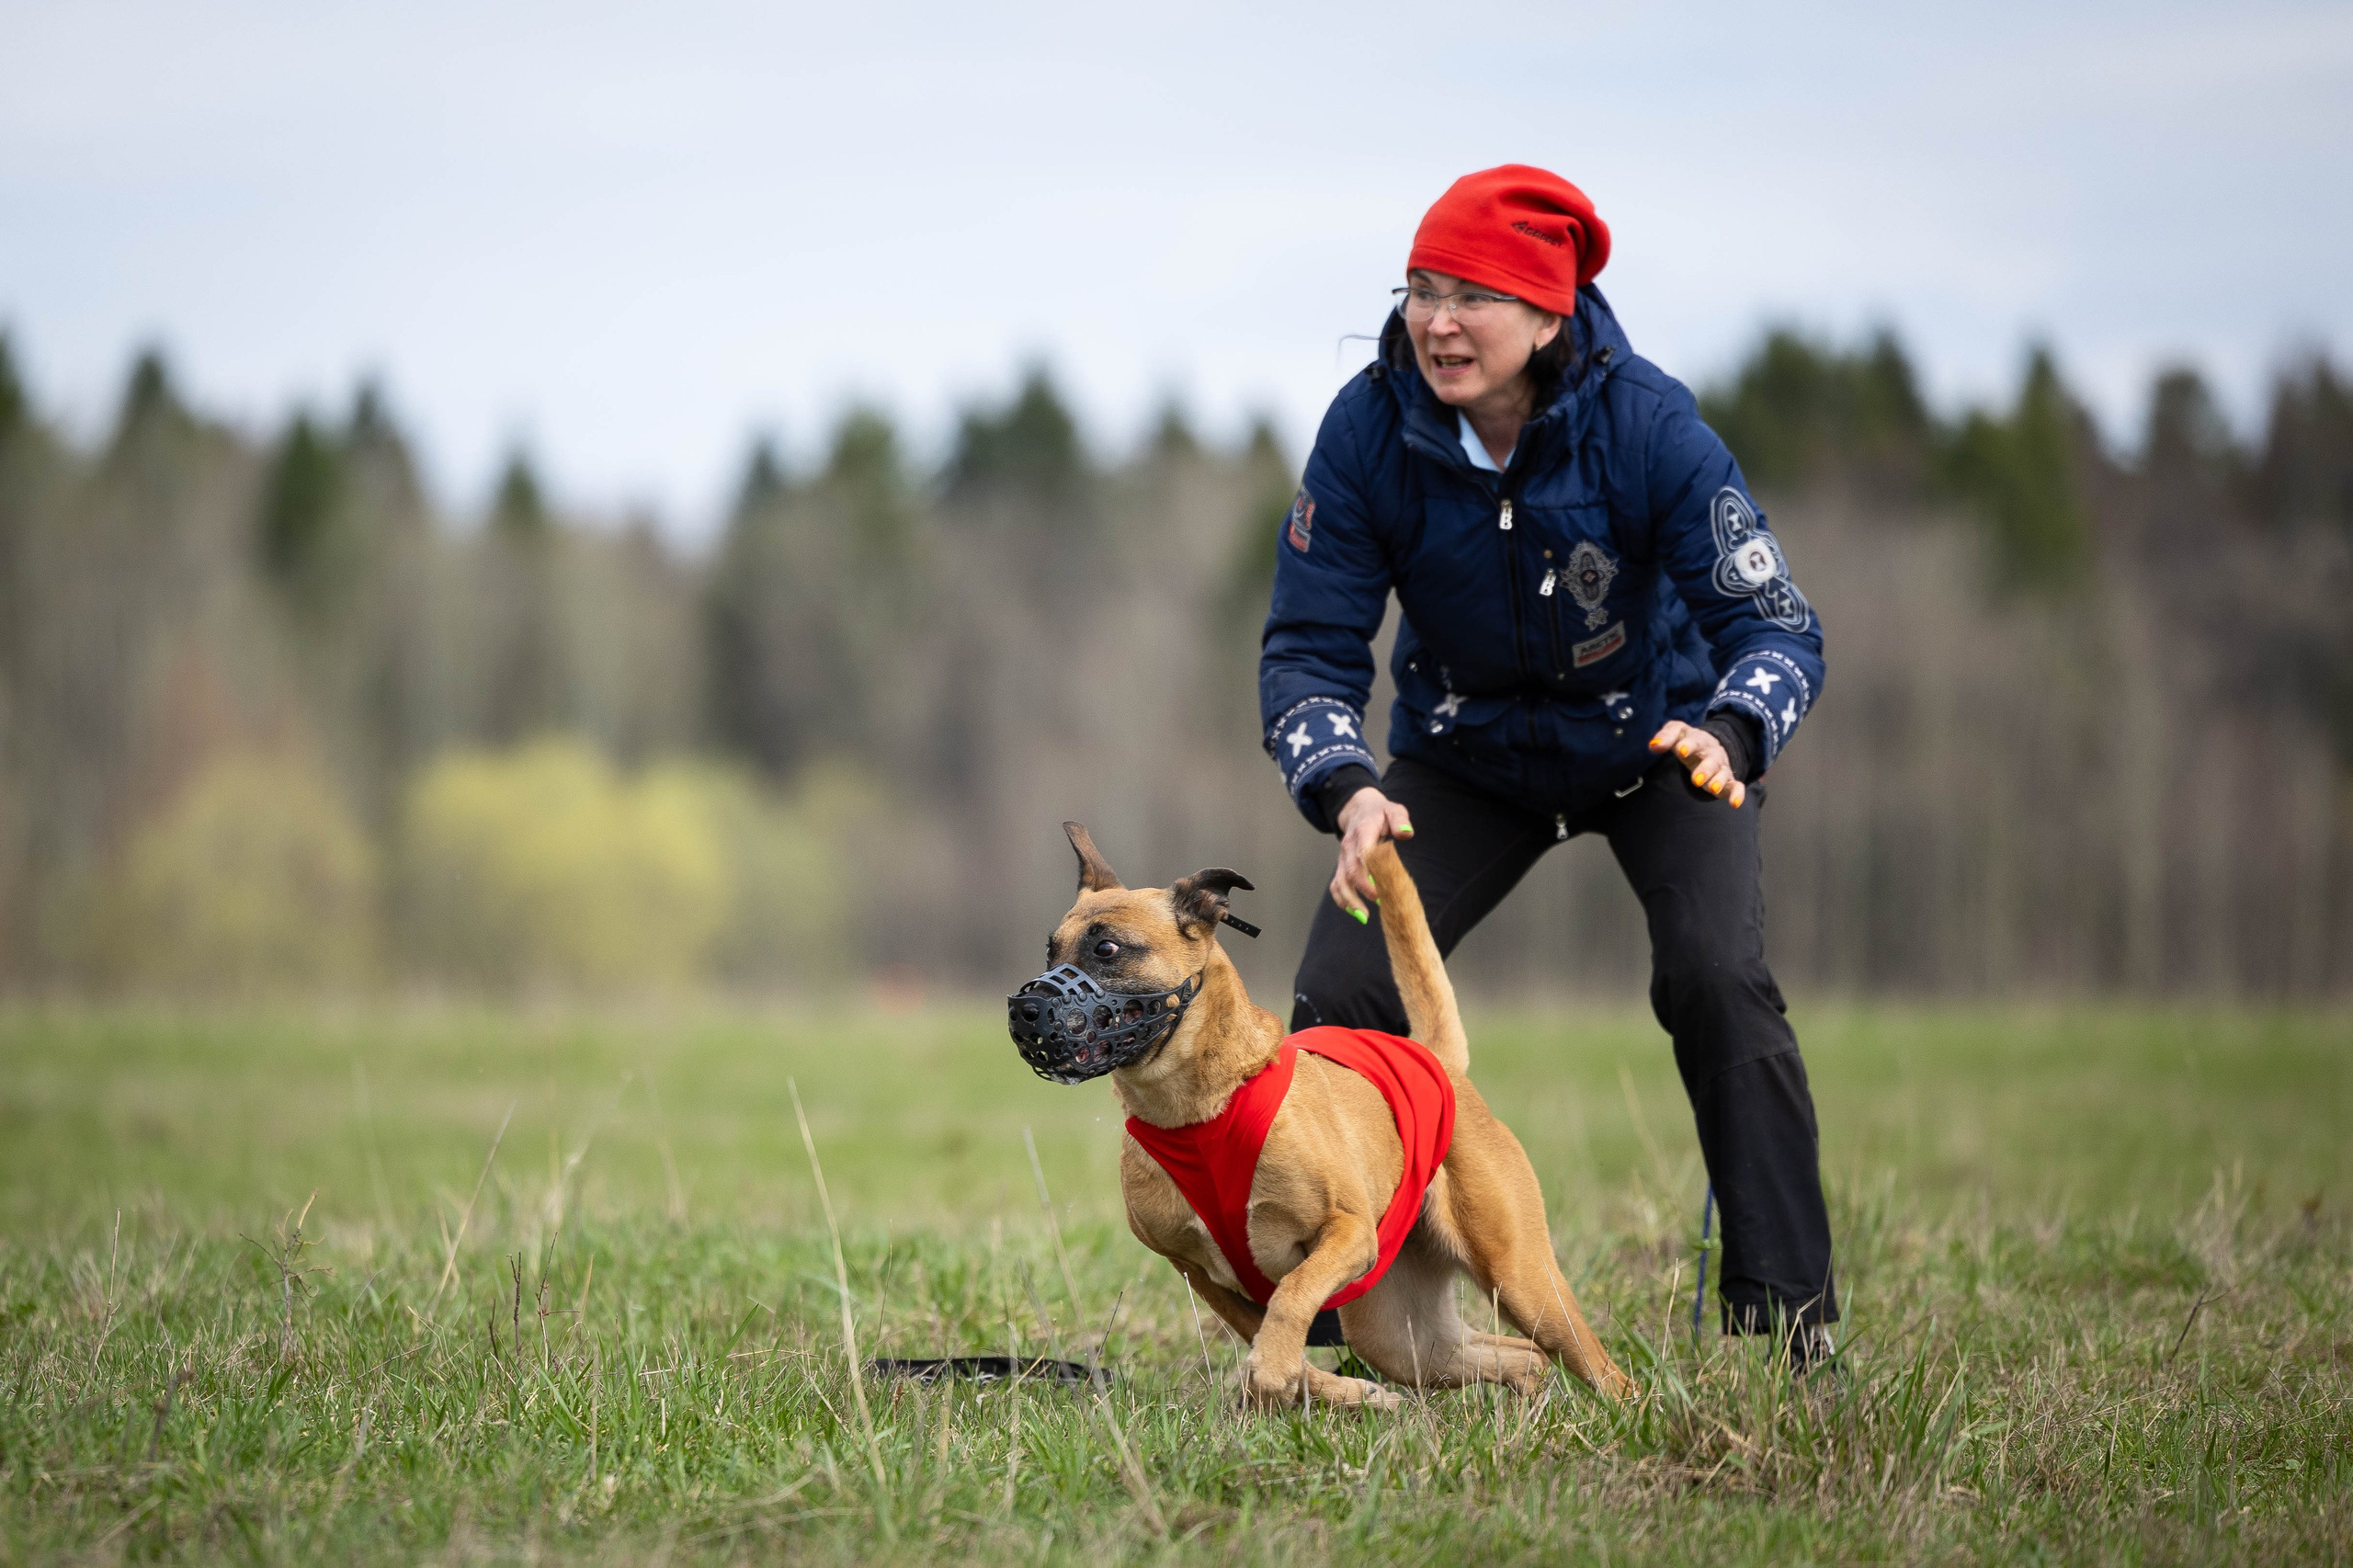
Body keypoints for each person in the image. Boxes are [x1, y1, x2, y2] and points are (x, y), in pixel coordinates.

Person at [1258, 165, 1836, 1369]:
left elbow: (1779, 626)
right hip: (1461, 754)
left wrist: (1730, 732)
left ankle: (1791, 1321)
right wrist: (1348, 783)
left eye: (1473, 295)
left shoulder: (1651, 428)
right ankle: (1328, 1323)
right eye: (1422, 289)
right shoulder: (1368, 427)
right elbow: (1308, 651)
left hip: (1661, 746)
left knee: (1717, 979)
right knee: (1342, 993)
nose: (1439, 321)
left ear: (1549, 315)